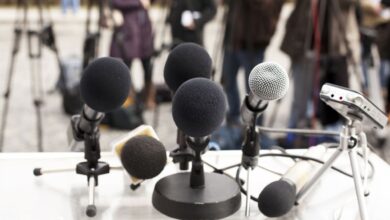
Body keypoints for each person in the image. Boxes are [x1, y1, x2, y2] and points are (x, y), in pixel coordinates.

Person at [282, 0, 362, 135]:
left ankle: (333, 133)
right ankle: (294, 134)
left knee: (333, 98)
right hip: (304, 48)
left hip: (336, 49)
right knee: (300, 99)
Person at [222, 0, 284, 126]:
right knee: (228, 81)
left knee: (254, 90)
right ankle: (234, 119)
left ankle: (255, 125)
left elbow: (265, 6)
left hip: (253, 44)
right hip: (232, 40)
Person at [110, 0, 156, 109]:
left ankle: (148, 96)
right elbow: (116, 2)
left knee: (147, 64)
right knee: (126, 64)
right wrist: (139, 2)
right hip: (128, 27)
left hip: (144, 27)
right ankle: (128, 97)